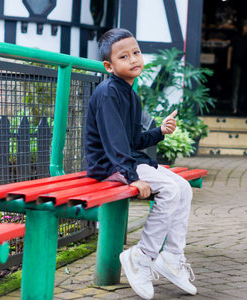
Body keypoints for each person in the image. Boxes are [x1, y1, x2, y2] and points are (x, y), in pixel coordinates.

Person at [84, 28, 196, 300]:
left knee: (184, 188)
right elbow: (114, 143)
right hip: (109, 165)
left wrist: (160, 130)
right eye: (124, 56)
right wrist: (132, 176)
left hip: (124, 160)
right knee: (170, 190)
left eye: (136, 52)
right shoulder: (109, 92)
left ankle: (171, 256)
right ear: (109, 66)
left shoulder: (129, 92)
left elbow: (132, 139)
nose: (133, 59)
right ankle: (142, 256)